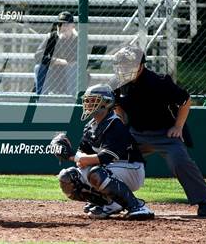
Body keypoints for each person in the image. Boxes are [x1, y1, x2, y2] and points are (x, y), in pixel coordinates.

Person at [112, 45, 206, 217]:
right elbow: (117, 105)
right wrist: (122, 123)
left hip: (164, 133)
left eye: (128, 65)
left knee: (179, 162)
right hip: (136, 133)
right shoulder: (118, 83)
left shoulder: (158, 81)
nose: (123, 69)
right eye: (121, 65)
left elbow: (185, 100)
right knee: (112, 155)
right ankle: (113, 200)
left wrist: (178, 127)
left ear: (141, 65)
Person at [51, 84, 154, 220]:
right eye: (87, 100)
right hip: (109, 169)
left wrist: (72, 156)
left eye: (93, 100)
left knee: (96, 173)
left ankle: (137, 207)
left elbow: (105, 157)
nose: (88, 104)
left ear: (106, 102)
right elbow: (82, 160)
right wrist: (66, 150)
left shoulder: (115, 124)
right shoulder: (90, 126)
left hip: (131, 168)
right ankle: (110, 203)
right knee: (67, 178)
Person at [34, 11, 77, 95]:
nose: (62, 28)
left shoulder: (77, 39)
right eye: (60, 25)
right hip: (54, 72)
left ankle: (72, 101)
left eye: (66, 25)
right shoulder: (52, 37)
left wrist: (65, 41)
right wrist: (56, 61)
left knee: (73, 68)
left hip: (70, 74)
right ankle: (42, 100)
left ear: (73, 26)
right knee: (38, 67)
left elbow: (79, 60)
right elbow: (38, 56)